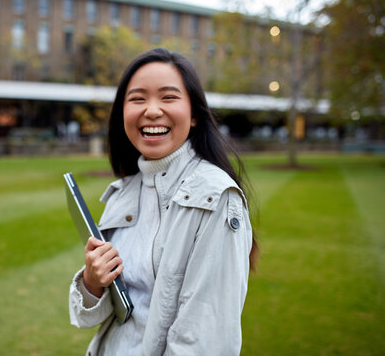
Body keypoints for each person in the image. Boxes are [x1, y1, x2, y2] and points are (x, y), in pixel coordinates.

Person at [69, 48, 258, 355]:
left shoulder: (216, 197)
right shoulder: (125, 190)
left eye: (168, 97)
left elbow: (205, 340)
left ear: (194, 114)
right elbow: (92, 315)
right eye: (138, 98)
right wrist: (92, 281)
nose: (152, 110)